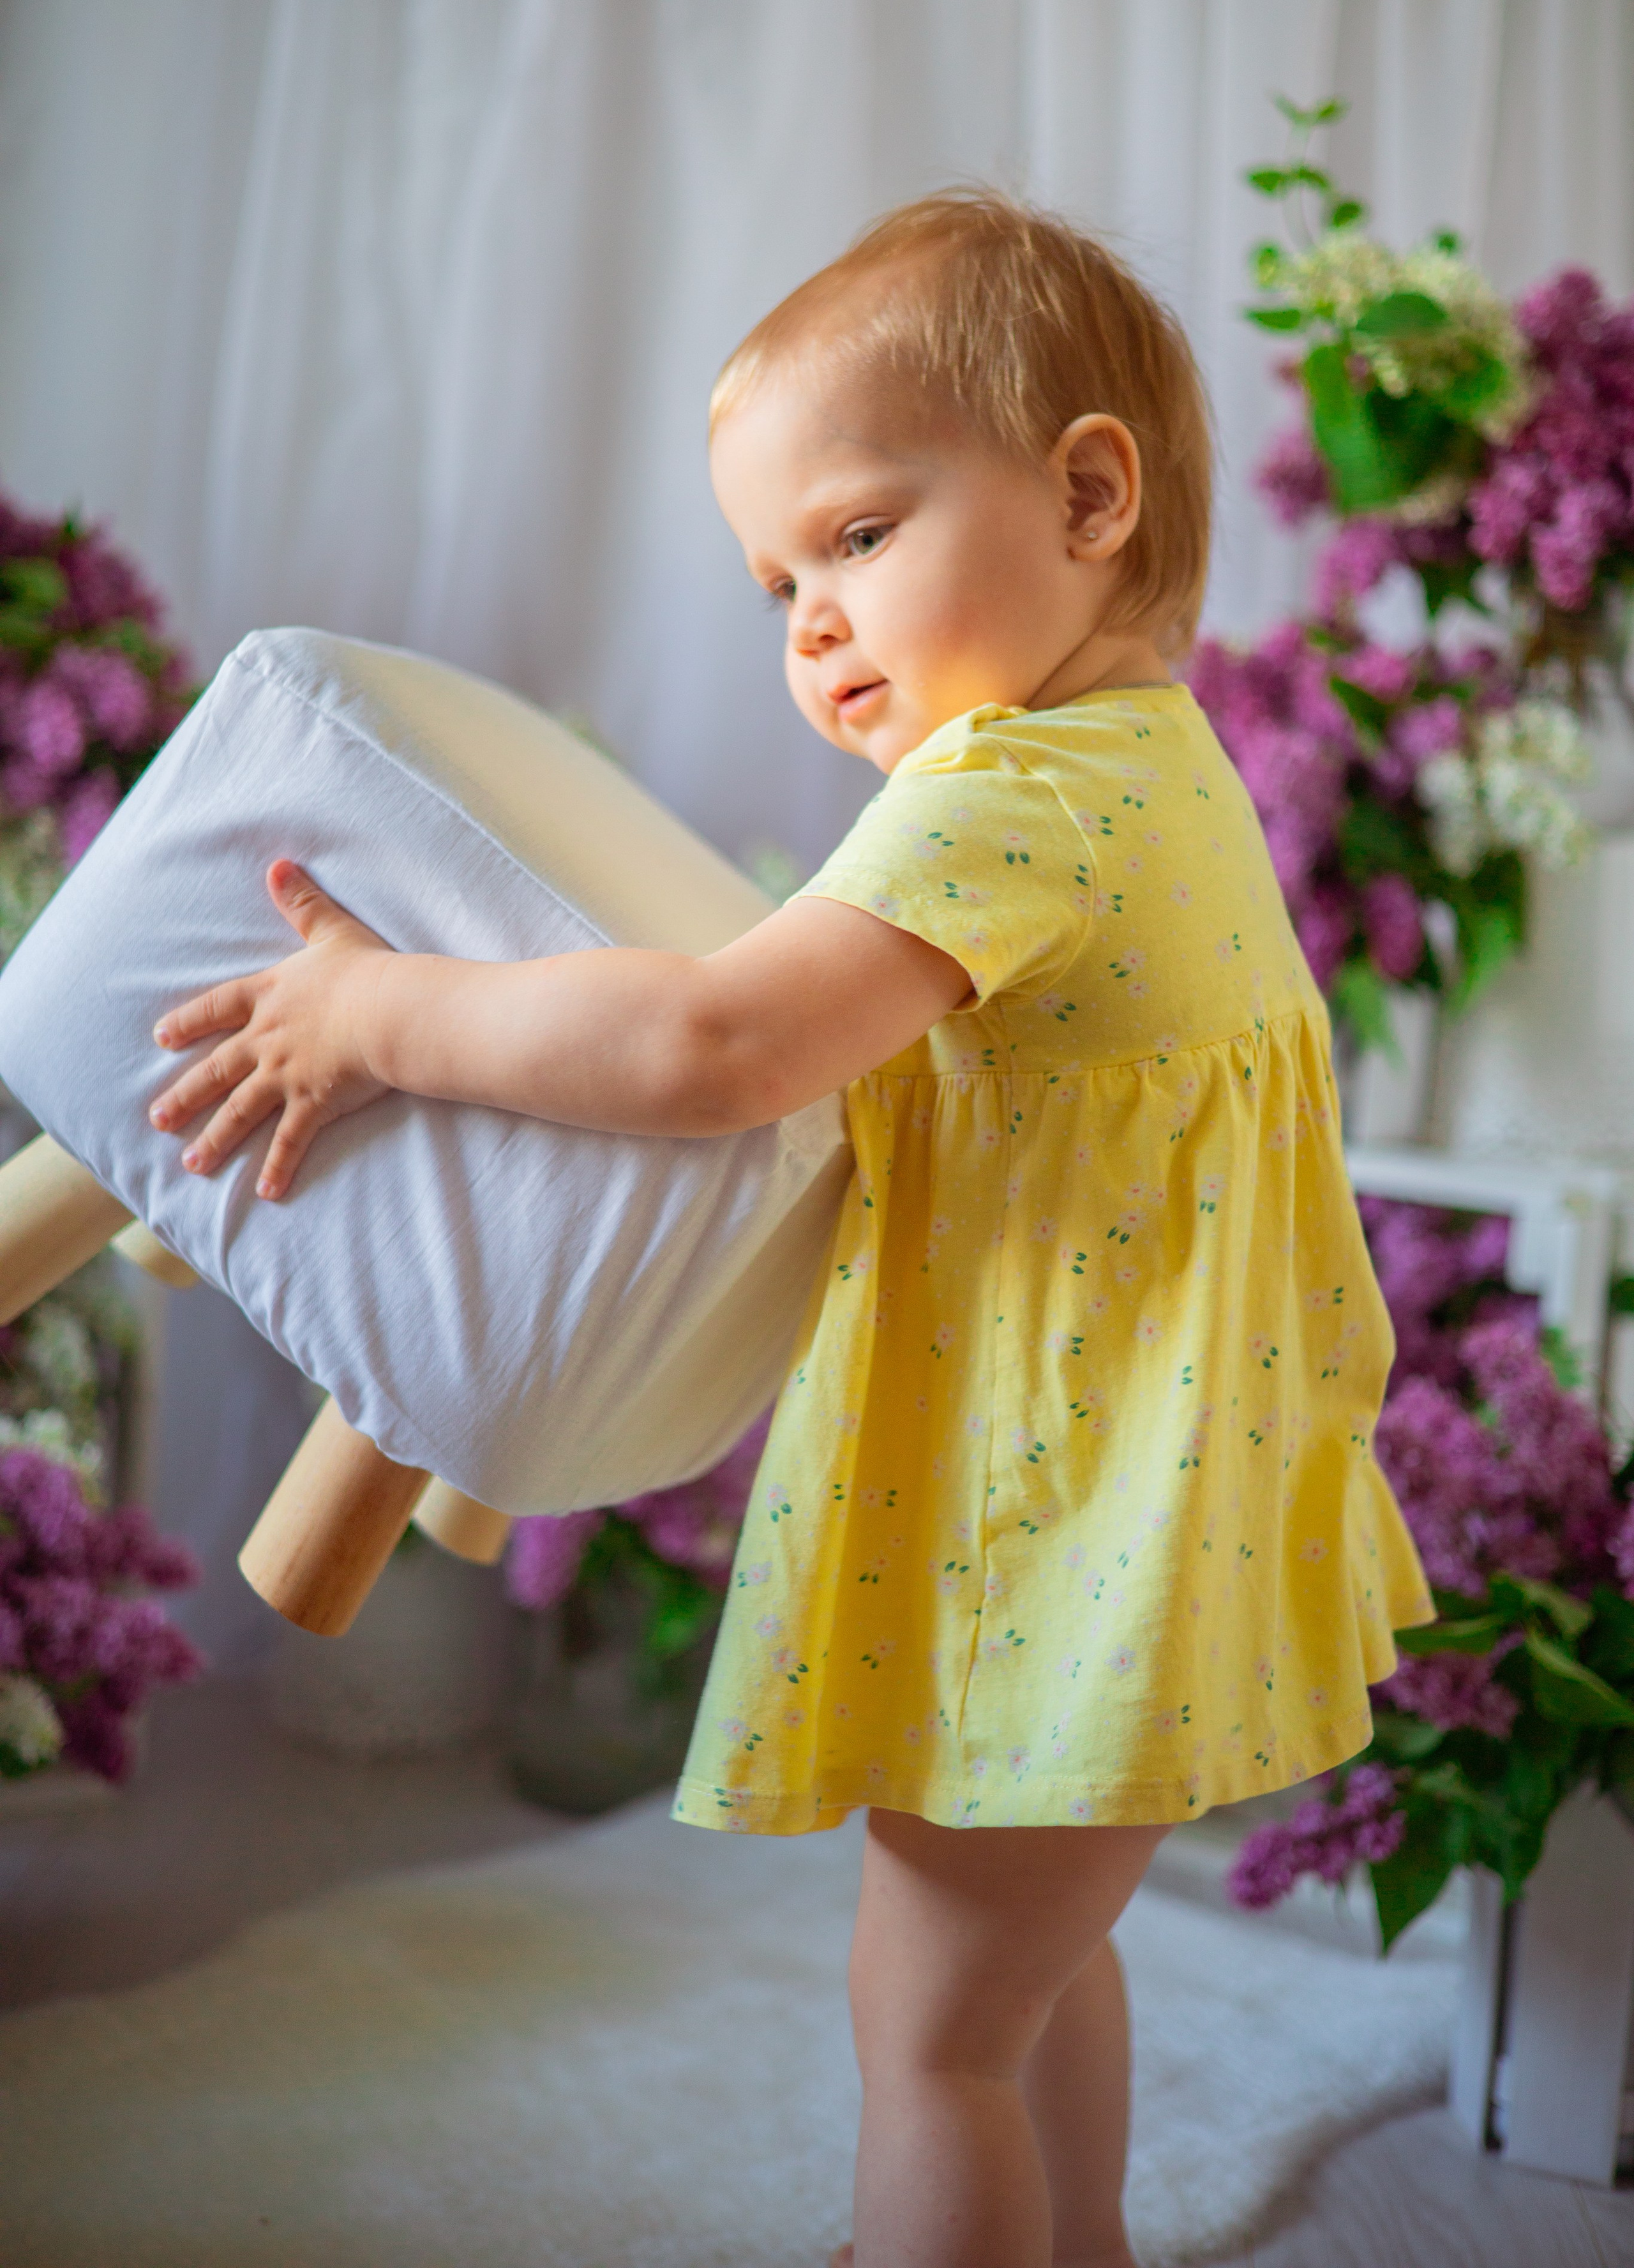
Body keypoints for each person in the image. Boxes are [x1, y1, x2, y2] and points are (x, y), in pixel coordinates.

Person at [148, 191, 1433, 2268]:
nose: (810, 623)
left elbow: (721, 1040)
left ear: (1089, 493)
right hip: (1141, 1504)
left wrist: (390, 1009)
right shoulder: (1156, 770)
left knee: (926, 2027)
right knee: (1027, 1973)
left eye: (854, 536)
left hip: (1062, 1524)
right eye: (773, 580)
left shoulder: (1013, 792)